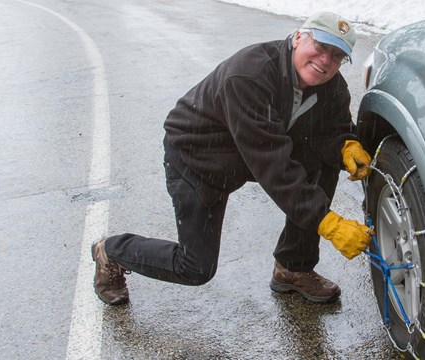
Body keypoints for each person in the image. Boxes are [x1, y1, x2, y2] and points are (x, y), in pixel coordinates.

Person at [91, 11, 374, 306]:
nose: (326, 60)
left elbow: (334, 127)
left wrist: (346, 145)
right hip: (199, 158)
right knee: (195, 267)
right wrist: (328, 222)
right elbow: (273, 164)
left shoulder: (331, 85)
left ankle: (294, 267)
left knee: (324, 160)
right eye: (321, 46)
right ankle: (111, 251)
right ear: (298, 37)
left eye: (338, 55)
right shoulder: (249, 75)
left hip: (245, 153)